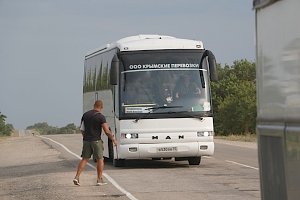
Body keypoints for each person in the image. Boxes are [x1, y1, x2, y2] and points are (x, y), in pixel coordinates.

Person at [73, 100, 117, 186]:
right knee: (100, 159)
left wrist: (85, 137)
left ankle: (77, 177)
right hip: (96, 141)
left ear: (94, 105)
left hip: (86, 140)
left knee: (85, 159)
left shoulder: (85, 115)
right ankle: (99, 179)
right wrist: (113, 139)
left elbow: (82, 129)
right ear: (101, 107)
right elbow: (107, 131)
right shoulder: (101, 117)